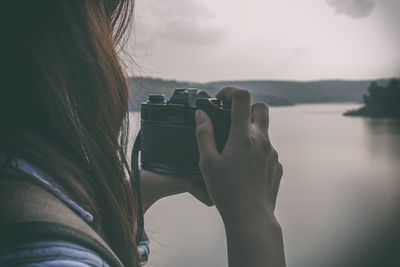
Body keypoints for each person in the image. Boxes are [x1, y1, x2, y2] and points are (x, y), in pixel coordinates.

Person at [0, 1, 285, 266]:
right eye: (105, 26)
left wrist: (139, 190)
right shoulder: (53, 256)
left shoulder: (18, 168)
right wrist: (253, 217)